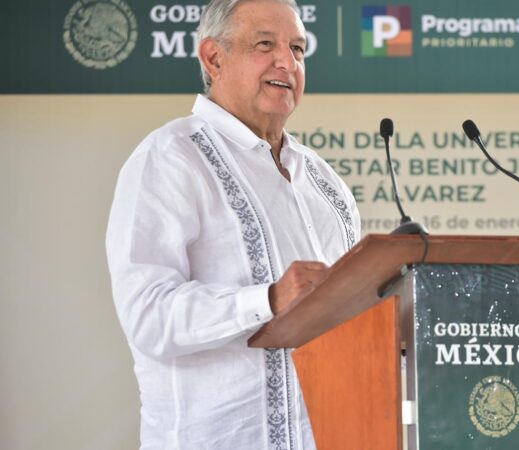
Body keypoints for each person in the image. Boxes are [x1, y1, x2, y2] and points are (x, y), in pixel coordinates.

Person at [105, 0, 360, 448]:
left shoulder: (324, 181)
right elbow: (148, 315)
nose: (288, 61)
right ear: (213, 58)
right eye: (266, 44)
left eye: (298, 49)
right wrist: (269, 299)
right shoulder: (170, 157)